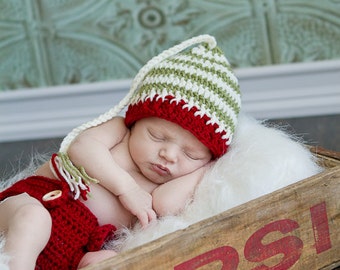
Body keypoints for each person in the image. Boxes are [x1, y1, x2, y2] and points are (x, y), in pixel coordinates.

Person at [0, 35, 241, 270]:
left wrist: (207, 167)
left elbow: (167, 205)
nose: (169, 155)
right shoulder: (119, 131)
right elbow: (82, 148)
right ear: (135, 121)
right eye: (157, 136)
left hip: (79, 247)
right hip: (34, 202)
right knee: (33, 219)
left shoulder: (162, 187)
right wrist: (126, 188)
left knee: (108, 261)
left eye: (192, 154)